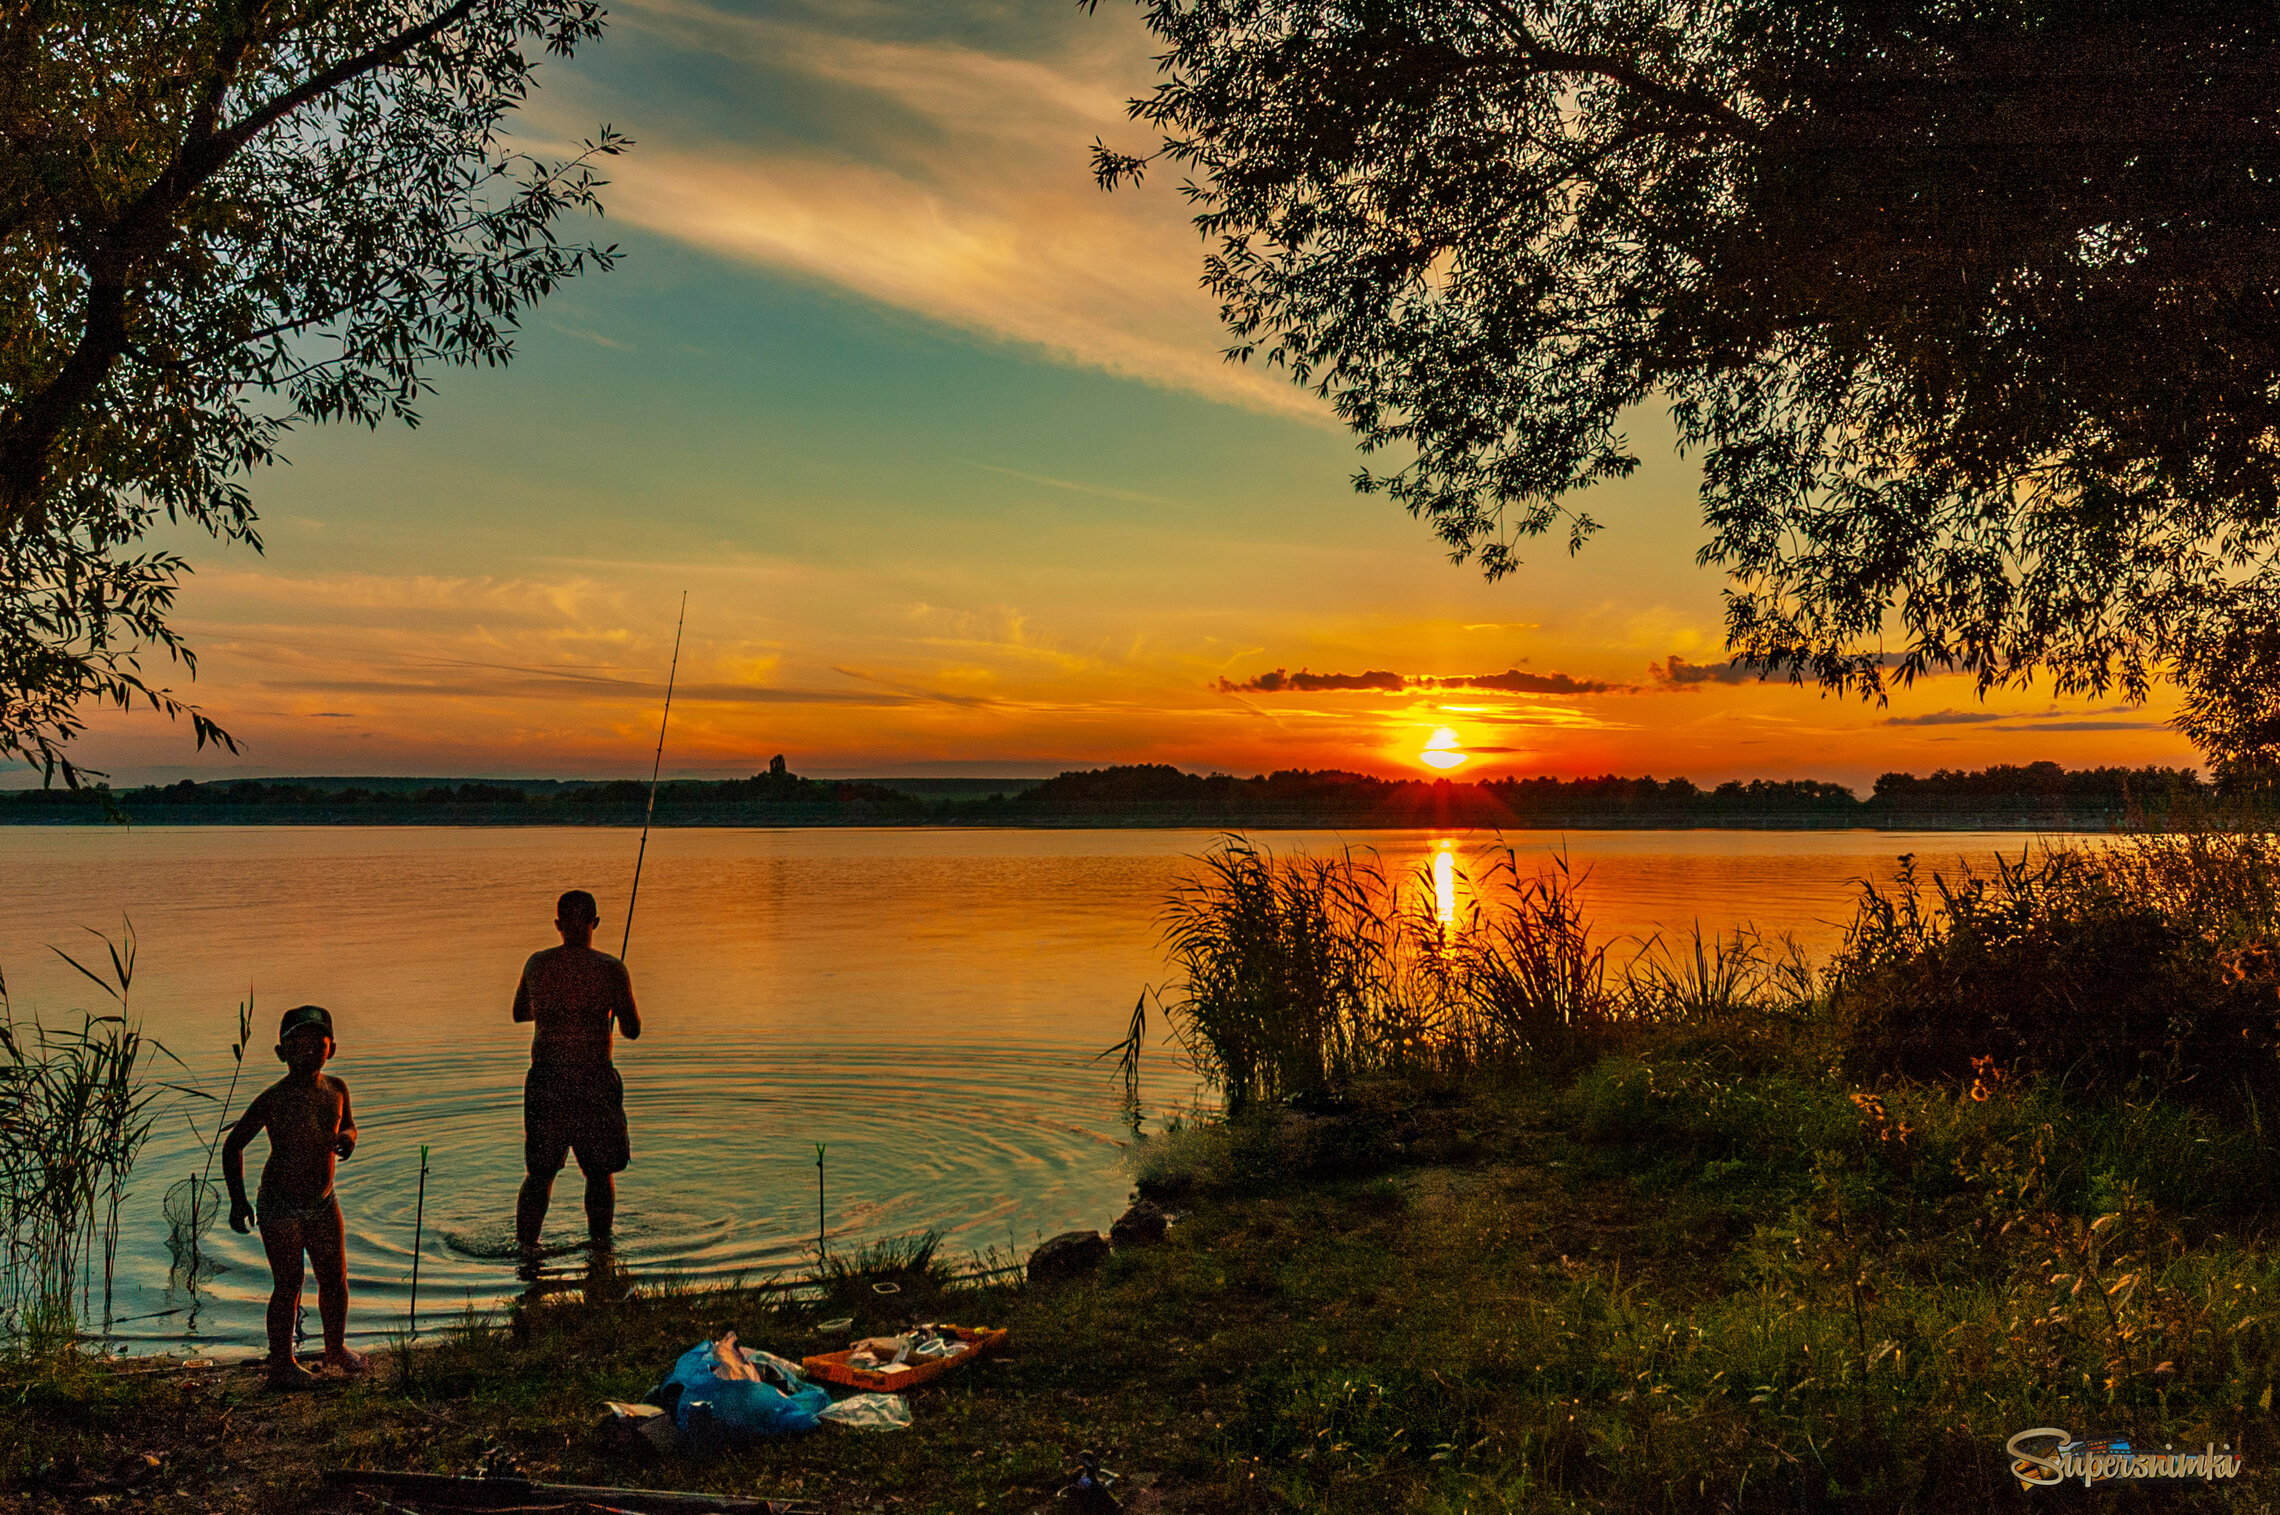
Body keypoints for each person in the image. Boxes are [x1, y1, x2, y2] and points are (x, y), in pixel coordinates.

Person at [223, 1004, 362, 1390]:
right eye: (297, 1044)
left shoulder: (337, 1089)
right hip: (279, 1205)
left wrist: (348, 1138)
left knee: (335, 1279)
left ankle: (334, 1348)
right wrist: (238, 1200)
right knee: (288, 1284)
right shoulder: (274, 1099)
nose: (308, 1050)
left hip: (323, 1201)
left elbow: (350, 1125)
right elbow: (233, 1145)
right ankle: (282, 1365)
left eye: (317, 1043)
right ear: (281, 1053)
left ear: (332, 1049)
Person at [514, 888, 642, 1259]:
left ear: (558, 925)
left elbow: (520, 1012)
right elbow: (632, 1029)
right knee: (599, 1173)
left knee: (540, 1173)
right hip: (593, 1082)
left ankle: (526, 1251)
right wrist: (605, 1009)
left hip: (547, 1081)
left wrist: (555, 1010)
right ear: (594, 922)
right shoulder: (611, 969)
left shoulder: (537, 964)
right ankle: (600, 1252)